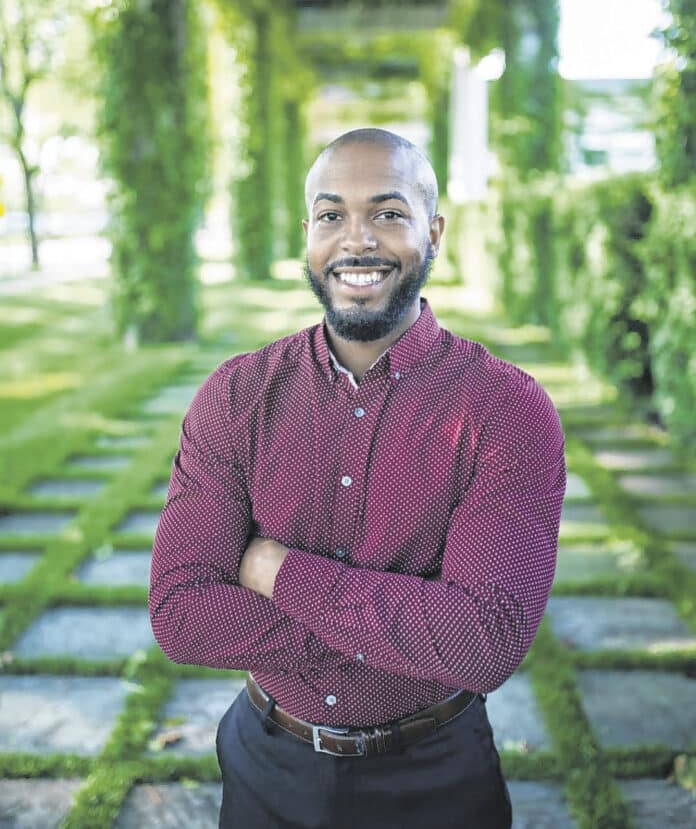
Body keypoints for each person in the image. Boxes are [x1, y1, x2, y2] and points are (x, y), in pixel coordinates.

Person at [149, 127, 566, 829]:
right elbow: (182, 616)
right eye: (331, 215)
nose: (357, 239)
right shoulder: (237, 396)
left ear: (434, 232)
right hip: (265, 768)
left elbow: (483, 641)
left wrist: (278, 571)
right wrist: (413, 627)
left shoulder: (505, 409)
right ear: (308, 236)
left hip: (437, 778)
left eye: (388, 213)